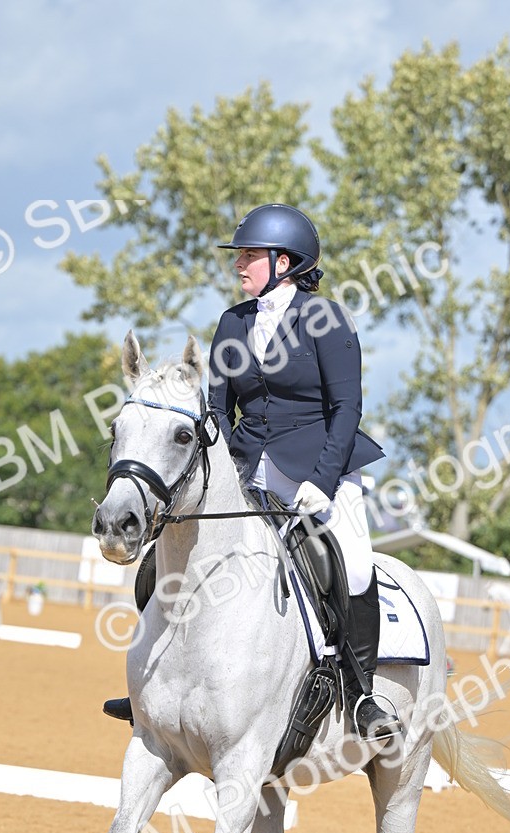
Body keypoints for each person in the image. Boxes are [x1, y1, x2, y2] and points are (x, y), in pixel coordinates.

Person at [205, 202, 400, 741]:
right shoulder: (231, 322)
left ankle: (361, 695)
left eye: (249, 256)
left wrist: (323, 481)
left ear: (284, 261)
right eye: (240, 256)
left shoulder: (328, 319)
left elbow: (347, 411)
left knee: (356, 566)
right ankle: (161, 684)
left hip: (319, 467)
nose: (239, 265)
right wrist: (222, 468)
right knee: (182, 548)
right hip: (247, 467)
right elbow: (218, 406)